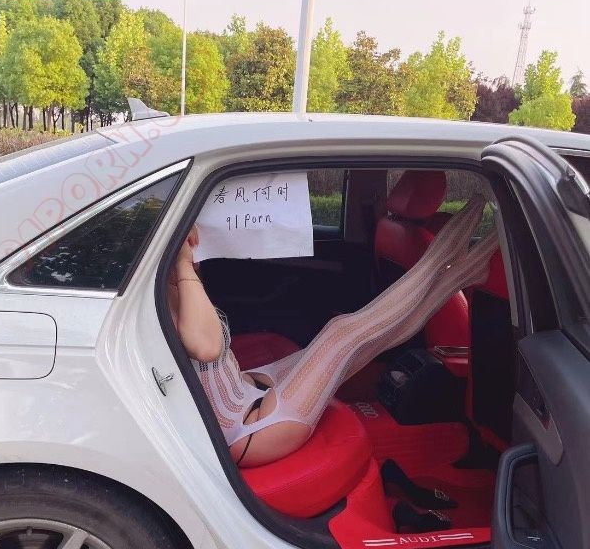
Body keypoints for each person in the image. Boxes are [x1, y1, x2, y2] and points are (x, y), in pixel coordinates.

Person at [168, 195, 498, 468]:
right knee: (341, 334)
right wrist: (182, 265)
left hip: (243, 391)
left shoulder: (162, 283)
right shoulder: (165, 282)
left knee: (355, 343)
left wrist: (184, 264)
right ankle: (456, 266)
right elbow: (206, 347)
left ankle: (461, 272)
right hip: (249, 428)